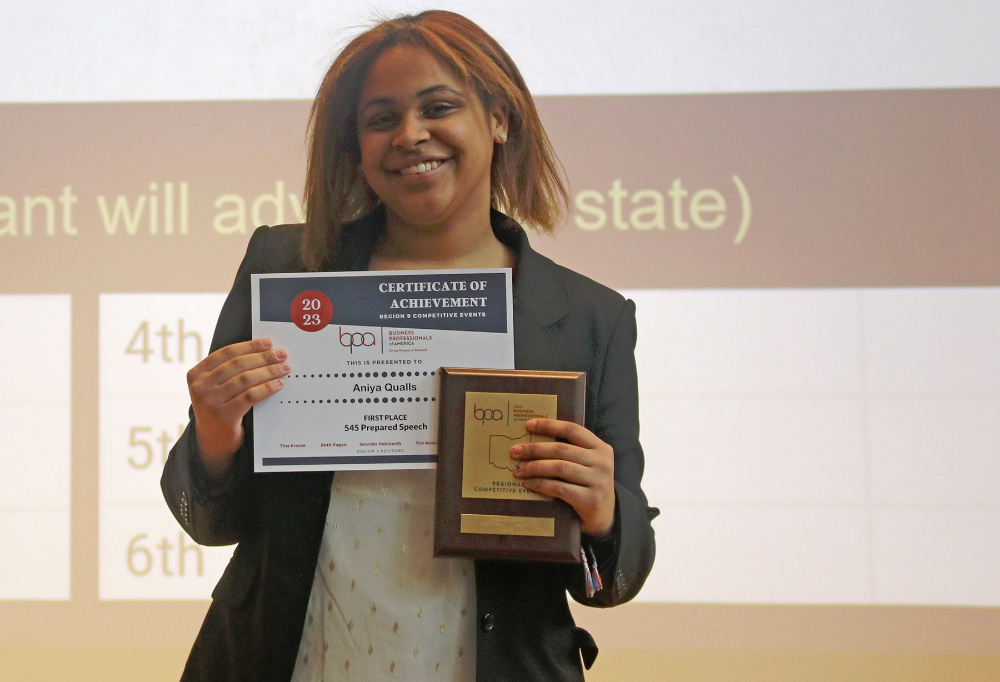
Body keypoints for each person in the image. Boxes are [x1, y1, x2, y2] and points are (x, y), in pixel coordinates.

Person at [162, 10, 657, 682]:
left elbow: (611, 582)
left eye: (439, 107)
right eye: (380, 118)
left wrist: (603, 514)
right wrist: (216, 434)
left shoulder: (588, 318)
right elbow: (210, 522)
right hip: (292, 659)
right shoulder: (286, 271)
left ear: (500, 118)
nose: (410, 134)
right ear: (356, 144)